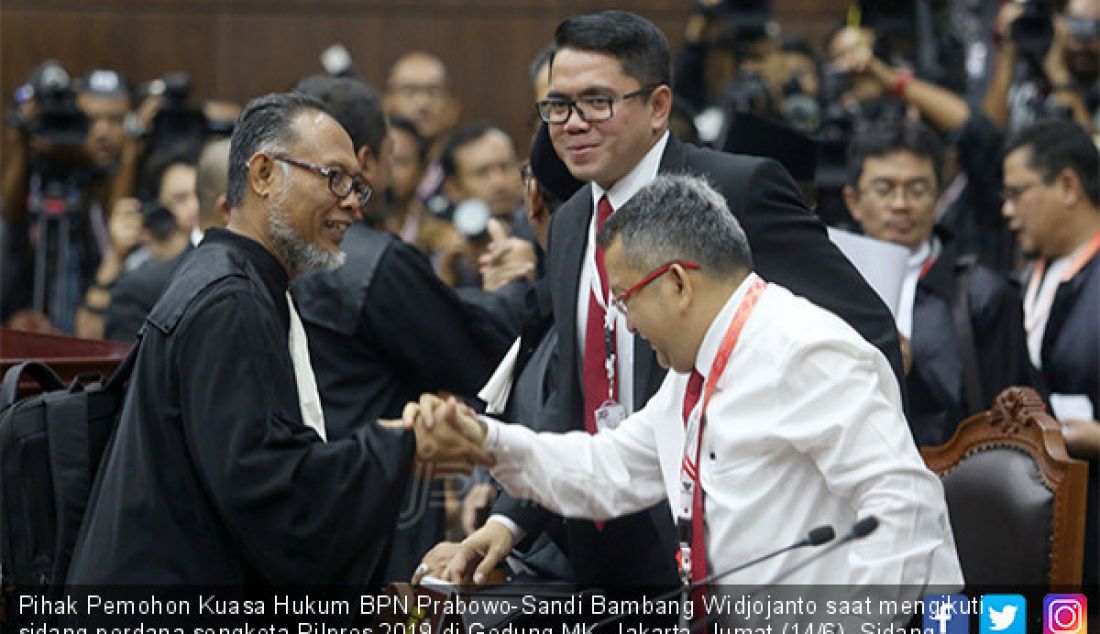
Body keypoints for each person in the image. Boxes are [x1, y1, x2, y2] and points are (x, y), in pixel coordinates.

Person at [438, 10, 905, 588]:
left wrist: (833, 493)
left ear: (658, 106)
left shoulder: (737, 190)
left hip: (737, 547)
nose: (572, 123)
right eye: (557, 106)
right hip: (597, 537)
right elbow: (576, 399)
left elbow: (868, 336)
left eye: (597, 102)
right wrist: (512, 518)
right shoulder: (570, 223)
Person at [412, 174, 961, 596]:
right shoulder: (697, 372)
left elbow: (905, 512)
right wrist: (486, 441)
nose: (624, 322)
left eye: (624, 299)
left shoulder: (805, 349)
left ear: (676, 283)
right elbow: (608, 471)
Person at [67, 92, 488, 584]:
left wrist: (398, 443)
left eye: (356, 184)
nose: (353, 202)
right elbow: (274, 499)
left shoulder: (236, 279)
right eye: (335, 178)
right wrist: (404, 446)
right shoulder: (228, 301)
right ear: (264, 174)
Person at [290, 77, 514, 581]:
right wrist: (522, 291)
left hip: (289, 510)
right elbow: (477, 359)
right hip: (373, 519)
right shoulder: (375, 264)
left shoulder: (257, 255)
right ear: (364, 162)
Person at [844, 120, 1032, 446]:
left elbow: (1011, 422)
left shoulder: (981, 293)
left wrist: (912, 372)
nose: (901, 204)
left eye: (917, 190)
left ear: (939, 197)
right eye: (884, 189)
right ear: (853, 201)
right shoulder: (822, 287)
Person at [1002, 118, 1100, 583]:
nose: (1007, 209)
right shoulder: (1018, 280)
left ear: (1067, 185)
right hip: (1037, 530)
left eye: (1018, 193)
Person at [103, 138, 231, 343]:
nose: (194, 208)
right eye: (180, 198)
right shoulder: (140, 288)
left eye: (198, 195)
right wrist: (115, 257)